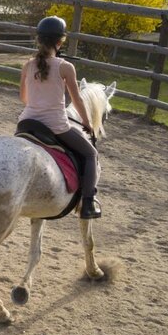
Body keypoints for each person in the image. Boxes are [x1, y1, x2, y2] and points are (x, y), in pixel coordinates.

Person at [18, 16, 101, 219]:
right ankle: (88, 202)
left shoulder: (28, 65)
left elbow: (24, 97)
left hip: (26, 122)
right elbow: (77, 100)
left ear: (39, 40)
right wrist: (87, 123)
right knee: (90, 154)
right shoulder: (65, 67)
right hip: (55, 125)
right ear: (60, 41)